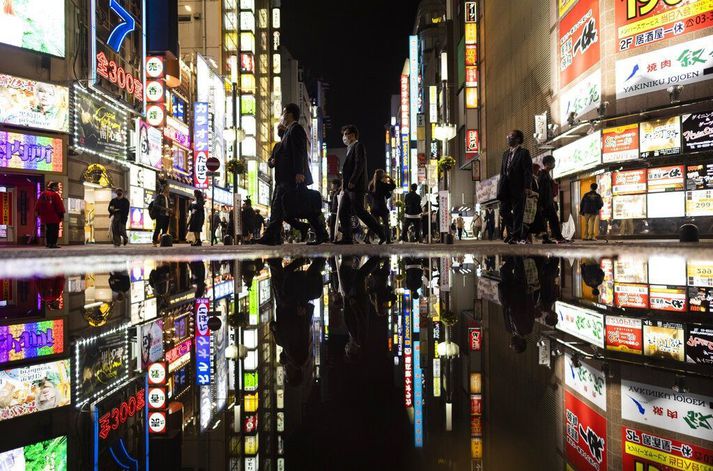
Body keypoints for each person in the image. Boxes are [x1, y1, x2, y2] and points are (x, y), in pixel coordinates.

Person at [258, 103, 327, 245]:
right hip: (284, 177)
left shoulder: (296, 129)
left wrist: (299, 172)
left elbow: (299, 151)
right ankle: (276, 236)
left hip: (290, 177)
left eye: (284, 113)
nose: (282, 116)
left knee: (285, 206)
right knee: (296, 207)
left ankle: (272, 236)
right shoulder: (288, 132)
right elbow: (284, 154)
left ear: (289, 114)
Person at [337, 124, 386, 245]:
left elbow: (359, 164)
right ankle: (347, 237)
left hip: (356, 186)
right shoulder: (349, 148)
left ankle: (381, 232)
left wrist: (353, 181)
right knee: (343, 211)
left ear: (352, 135)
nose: (344, 137)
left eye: (346, 134)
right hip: (348, 188)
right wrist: (344, 186)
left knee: (360, 211)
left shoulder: (358, 146)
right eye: (343, 134)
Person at [497, 130, 533, 244]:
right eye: (508, 136)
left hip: (518, 187)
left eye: (511, 137)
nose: (508, 138)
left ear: (518, 139)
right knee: (503, 211)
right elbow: (502, 171)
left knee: (518, 212)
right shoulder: (505, 154)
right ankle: (517, 231)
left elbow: (528, 171)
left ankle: (516, 236)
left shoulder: (524, 153)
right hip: (505, 187)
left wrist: (527, 186)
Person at [538, 155, 566, 244]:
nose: (554, 164)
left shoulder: (546, 174)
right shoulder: (543, 175)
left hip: (548, 201)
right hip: (545, 202)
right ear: (548, 163)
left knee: (546, 221)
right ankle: (558, 238)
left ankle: (547, 238)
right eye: (553, 163)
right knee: (553, 220)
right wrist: (542, 203)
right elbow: (542, 190)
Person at [369, 169, 396, 244]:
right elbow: (393, 186)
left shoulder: (371, 185)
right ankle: (387, 240)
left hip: (374, 206)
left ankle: (368, 238)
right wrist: (389, 178)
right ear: (382, 176)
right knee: (386, 224)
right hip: (382, 206)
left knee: (374, 224)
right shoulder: (383, 185)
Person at [36, 181, 65, 249]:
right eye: (57, 187)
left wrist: (38, 213)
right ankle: (53, 243)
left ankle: (48, 243)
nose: (58, 188)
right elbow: (59, 206)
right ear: (54, 187)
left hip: (45, 216)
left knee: (48, 230)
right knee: (54, 230)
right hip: (54, 216)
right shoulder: (55, 195)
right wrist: (61, 215)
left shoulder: (43, 194)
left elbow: (38, 204)